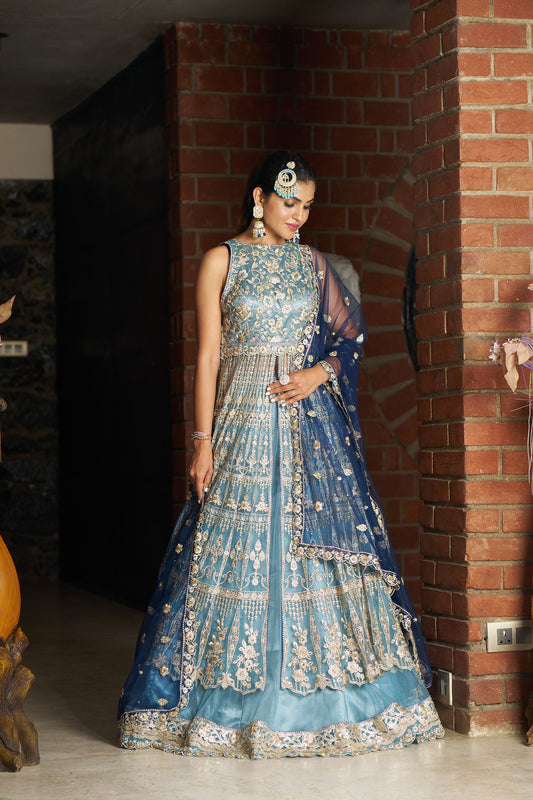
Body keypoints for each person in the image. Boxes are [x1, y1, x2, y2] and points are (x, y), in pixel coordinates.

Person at [118, 150, 444, 758]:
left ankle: (330, 703)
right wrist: (201, 440)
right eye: (291, 203)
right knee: (228, 547)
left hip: (307, 427)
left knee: (311, 546)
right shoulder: (223, 259)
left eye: (308, 207)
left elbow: (353, 337)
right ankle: (222, 703)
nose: (300, 215)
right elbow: (209, 356)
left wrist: (318, 374)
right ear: (260, 197)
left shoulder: (313, 264)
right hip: (240, 420)